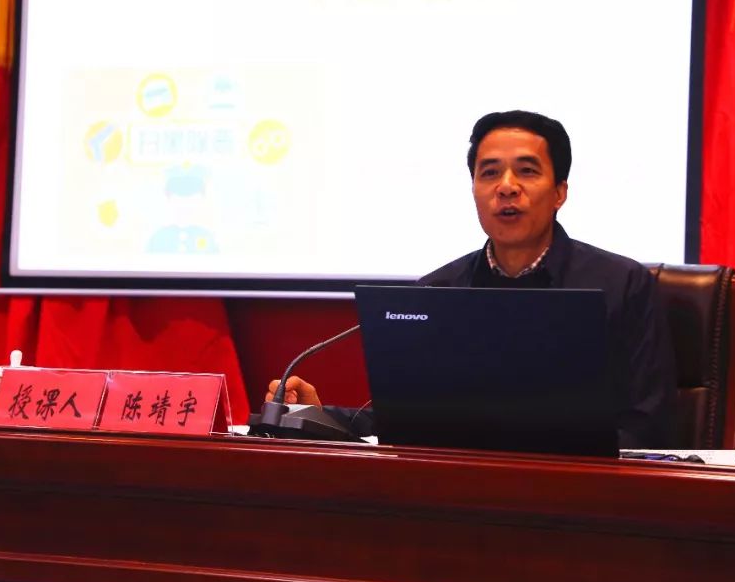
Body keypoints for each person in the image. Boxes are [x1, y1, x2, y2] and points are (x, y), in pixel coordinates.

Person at [267, 110, 677, 448]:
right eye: (490, 173)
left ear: (560, 192)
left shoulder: (622, 285)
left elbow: (648, 426)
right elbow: (402, 422)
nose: (507, 188)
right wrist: (317, 415)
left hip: (583, 495)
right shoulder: (438, 292)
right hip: (463, 497)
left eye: (527, 171)